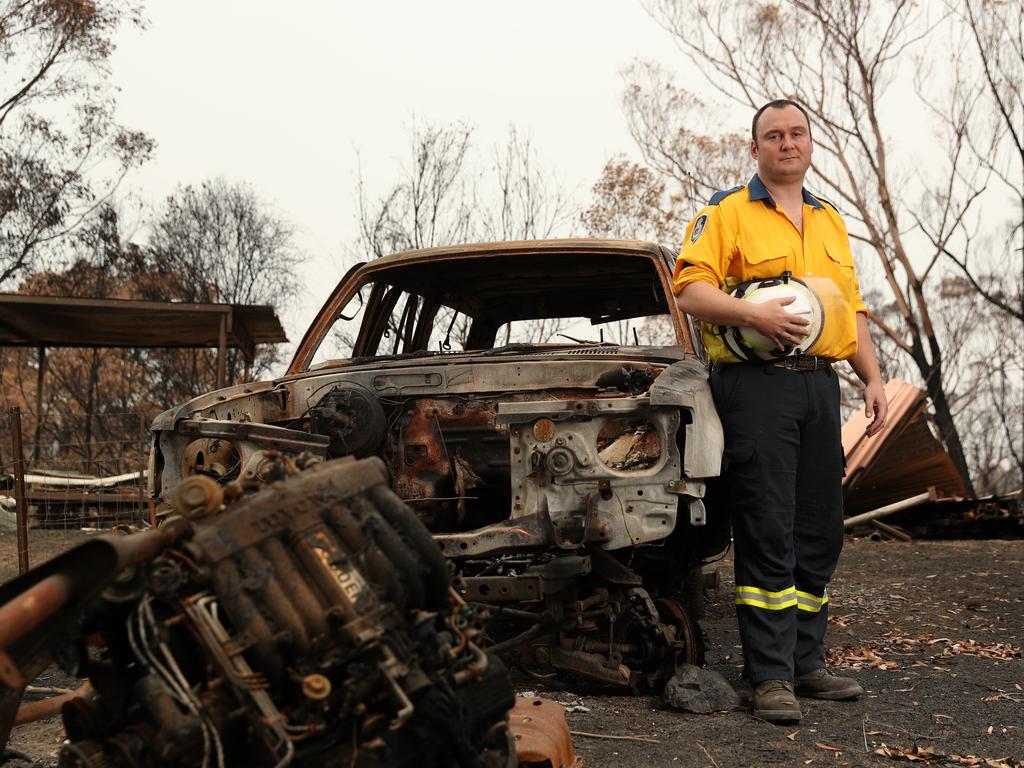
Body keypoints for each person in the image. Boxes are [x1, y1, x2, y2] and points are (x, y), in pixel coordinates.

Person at [673, 99, 888, 723]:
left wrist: (871, 377)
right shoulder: (725, 211)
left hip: (821, 385)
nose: (786, 143)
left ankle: (805, 662)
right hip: (756, 386)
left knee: (819, 527)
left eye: (796, 134)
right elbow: (689, 289)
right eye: (774, 135)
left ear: (810, 143)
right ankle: (768, 675)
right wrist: (753, 314)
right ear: (755, 148)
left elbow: (852, 311)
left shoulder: (830, 221)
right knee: (768, 525)